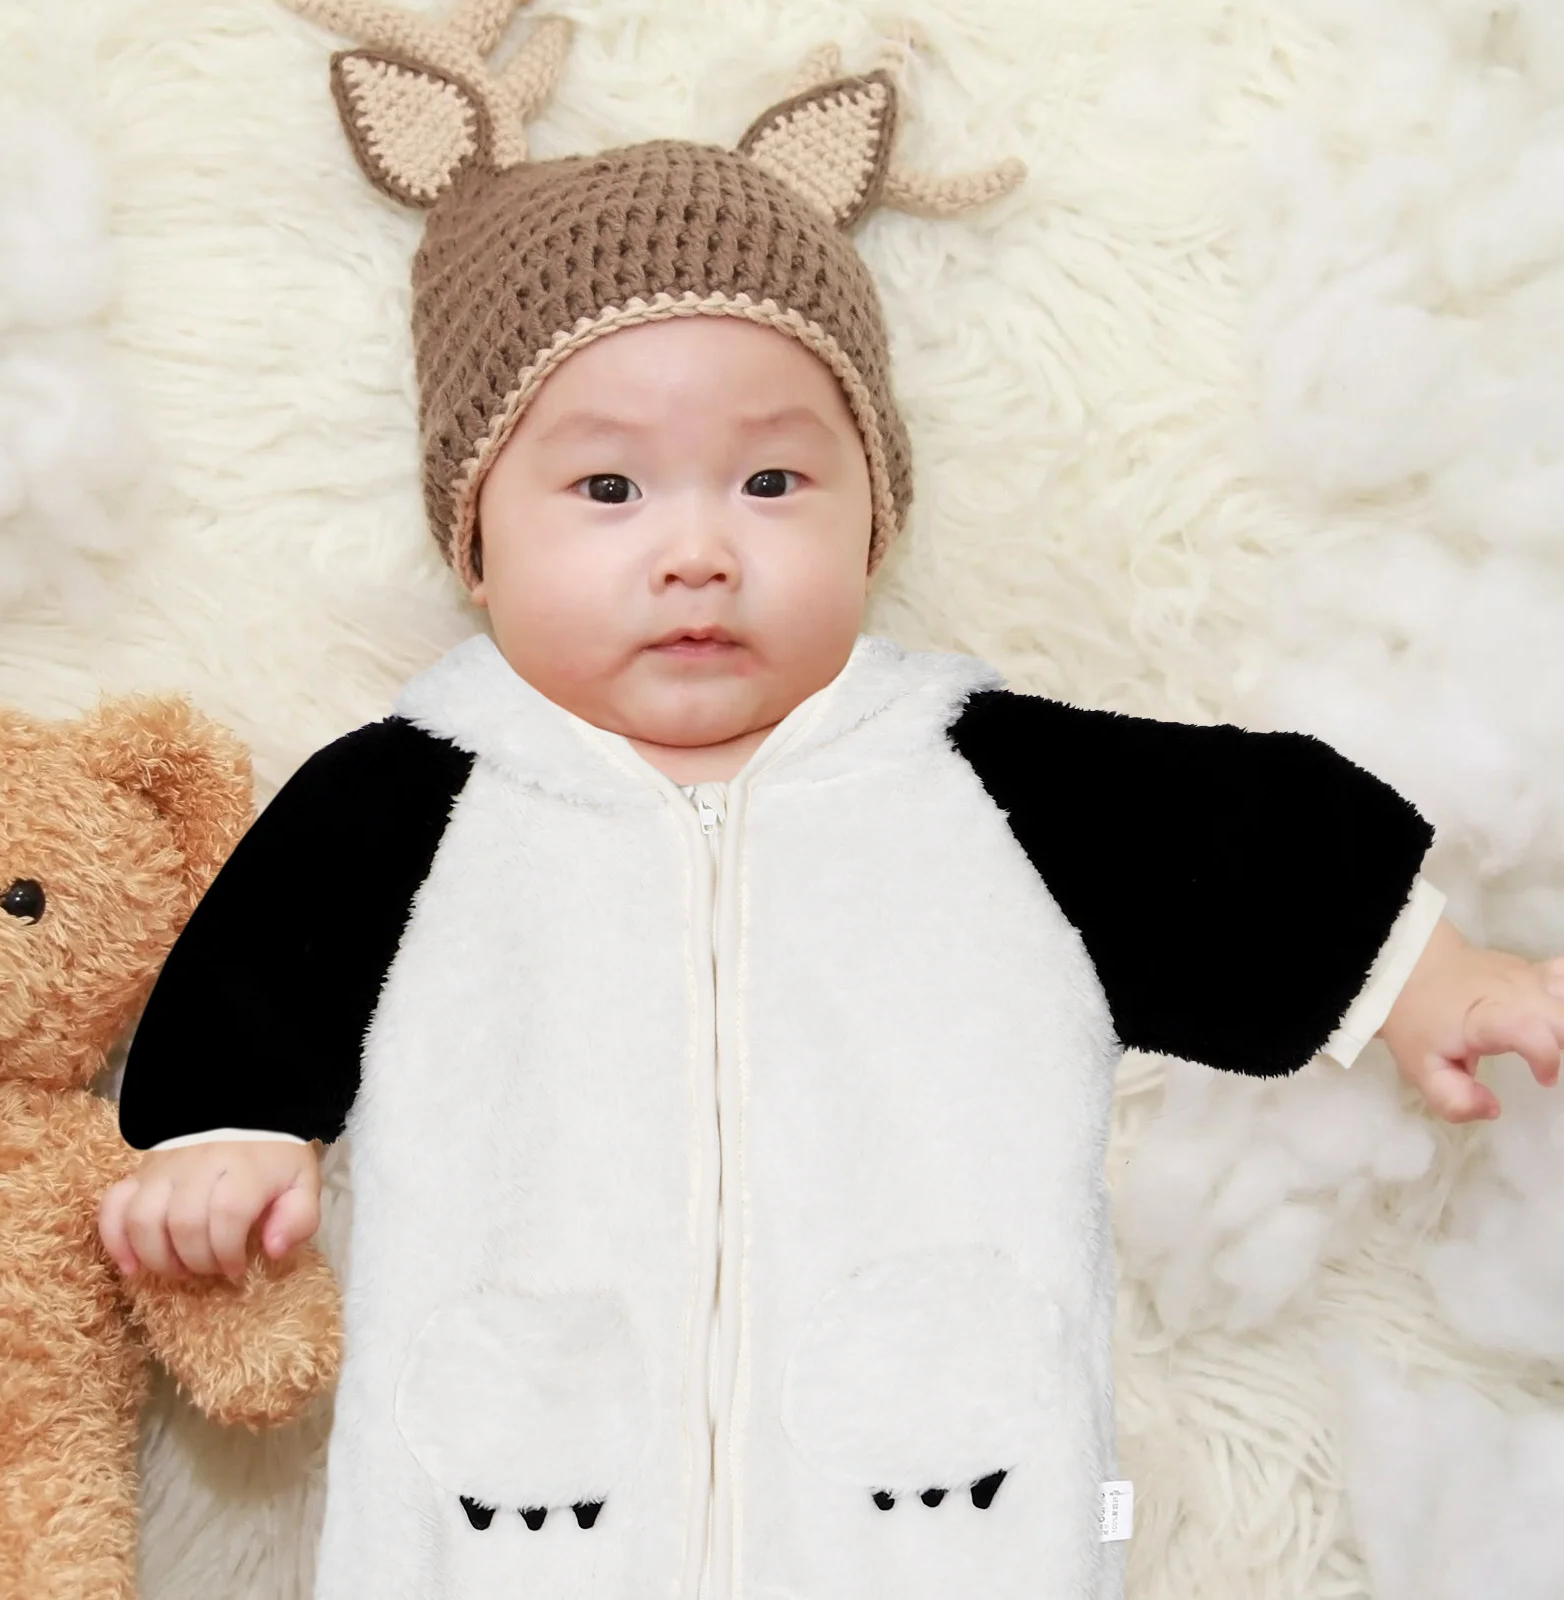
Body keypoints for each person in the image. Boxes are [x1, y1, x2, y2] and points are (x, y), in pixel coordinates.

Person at [99, 5, 1564, 1598]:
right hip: (521, 1508)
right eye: (607, 488)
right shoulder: (410, 797)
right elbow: (258, 982)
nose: (698, 551)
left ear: (873, 517)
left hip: (932, 1507)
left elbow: (1237, 845)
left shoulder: (978, 775)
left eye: (773, 483)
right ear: (475, 537)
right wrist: (224, 1137)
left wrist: (1429, 975)